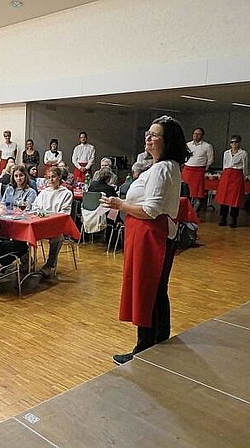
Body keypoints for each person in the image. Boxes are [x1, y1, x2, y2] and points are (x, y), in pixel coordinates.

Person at [100, 115, 190, 365]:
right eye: (147, 133)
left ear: (167, 141)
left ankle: (145, 346)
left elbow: (150, 210)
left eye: (154, 135)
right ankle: (158, 339)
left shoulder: (163, 168)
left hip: (152, 234)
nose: (147, 138)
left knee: (147, 289)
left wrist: (120, 204)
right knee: (156, 290)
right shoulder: (163, 166)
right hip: (148, 233)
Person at [32, 166, 73, 277]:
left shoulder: (66, 193)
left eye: (53, 177)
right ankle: (27, 262)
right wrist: (39, 213)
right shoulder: (44, 193)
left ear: (59, 177)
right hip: (40, 223)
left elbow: (65, 213)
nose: (51, 180)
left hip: (56, 225)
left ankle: (50, 265)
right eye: (48, 177)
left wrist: (49, 216)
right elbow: (35, 206)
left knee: (58, 238)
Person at [216, 134, 247, 228]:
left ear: (239, 143)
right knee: (224, 197)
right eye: (232, 142)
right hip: (227, 175)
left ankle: (234, 218)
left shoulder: (243, 153)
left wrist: (244, 177)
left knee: (235, 198)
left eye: (236, 142)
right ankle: (223, 217)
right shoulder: (226, 153)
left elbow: (245, 166)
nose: (234, 144)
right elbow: (224, 165)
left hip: (237, 175)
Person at [182, 127, 213, 213]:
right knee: (185, 191)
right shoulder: (188, 145)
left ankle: (195, 212)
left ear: (202, 136)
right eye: (194, 133)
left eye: (198, 134)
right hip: (187, 169)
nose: (196, 135)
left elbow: (210, 159)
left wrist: (204, 169)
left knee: (197, 194)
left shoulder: (207, 146)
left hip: (198, 171)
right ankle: (184, 211)